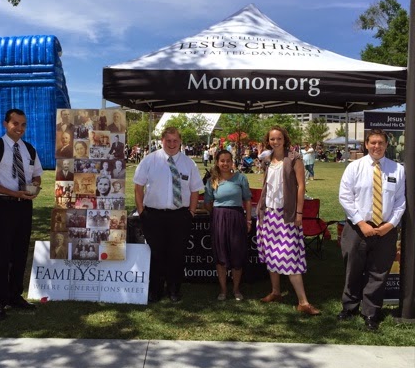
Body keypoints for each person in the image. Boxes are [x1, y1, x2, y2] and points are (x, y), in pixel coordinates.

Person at [338, 129, 405, 331]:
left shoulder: (397, 169)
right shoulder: (354, 167)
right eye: (373, 142)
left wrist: (390, 224)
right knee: (353, 269)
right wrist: (361, 223)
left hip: (386, 230)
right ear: (366, 144)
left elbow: (400, 201)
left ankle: (371, 313)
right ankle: (349, 307)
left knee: (378, 273)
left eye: (381, 143)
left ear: (386, 145)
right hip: (357, 228)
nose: (377, 146)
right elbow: (345, 196)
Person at [0, 108, 43, 321]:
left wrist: (35, 186)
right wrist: (13, 193)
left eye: (23, 124)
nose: (20, 128)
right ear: (6, 124)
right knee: (2, 253)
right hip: (3, 206)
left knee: (20, 251)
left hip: (24, 207)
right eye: (15, 123)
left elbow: (37, 175)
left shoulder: (29, 149)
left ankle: (15, 295)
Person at [134, 127, 204, 302]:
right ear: (162, 141)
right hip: (153, 216)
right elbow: (138, 187)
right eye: (168, 141)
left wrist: (191, 212)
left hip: (180, 216)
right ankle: (155, 290)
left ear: (180, 142)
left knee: (177, 254)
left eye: (175, 141)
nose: (172, 144)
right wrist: (141, 211)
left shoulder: (189, 164)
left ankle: (174, 289)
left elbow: (195, 190)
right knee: (156, 254)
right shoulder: (149, 160)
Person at [256, 126, 320, 316]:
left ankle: (303, 302)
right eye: (272, 139)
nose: (275, 142)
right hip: (269, 213)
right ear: (268, 141)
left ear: (285, 139)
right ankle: (276, 292)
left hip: (287, 214)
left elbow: (301, 186)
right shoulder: (268, 159)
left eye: (279, 138)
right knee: (270, 254)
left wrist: (299, 213)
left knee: (290, 256)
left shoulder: (294, 158)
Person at [204, 150, 252, 301]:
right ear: (217, 162)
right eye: (222, 161)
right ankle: (223, 290)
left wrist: (248, 220)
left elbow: (247, 200)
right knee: (221, 255)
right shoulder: (211, 181)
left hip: (237, 218)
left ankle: (236, 289)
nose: (225, 163)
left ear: (232, 162)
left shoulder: (241, 178)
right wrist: (217, 214)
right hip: (219, 218)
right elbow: (207, 202)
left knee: (237, 253)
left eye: (228, 160)